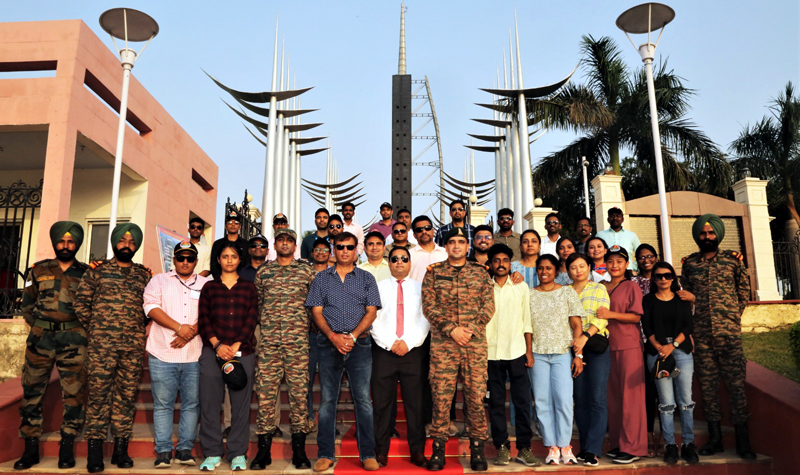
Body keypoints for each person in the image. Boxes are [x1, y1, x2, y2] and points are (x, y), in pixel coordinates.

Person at [75, 223, 152, 473]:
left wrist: (136, 328)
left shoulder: (143, 274)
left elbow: (149, 308)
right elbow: (81, 305)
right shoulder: (96, 272)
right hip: (101, 349)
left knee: (125, 398)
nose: (126, 245)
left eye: (131, 242)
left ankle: (121, 450)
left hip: (131, 348)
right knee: (97, 397)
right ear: (114, 242)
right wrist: (98, 328)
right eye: (122, 240)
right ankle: (95, 453)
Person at [680, 214, 755, 459]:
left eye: (711, 233)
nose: (707, 237)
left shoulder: (732, 260)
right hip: (701, 336)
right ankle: (715, 440)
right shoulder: (690, 263)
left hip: (729, 335)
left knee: (736, 387)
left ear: (718, 235)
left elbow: (743, 291)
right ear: (697, 236)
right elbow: (686, 297)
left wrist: (731, 315)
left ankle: (743, 441)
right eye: (703, 233)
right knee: (708, 387)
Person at [305, 232, 382, 472]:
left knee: (363, 401)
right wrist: (333, 337)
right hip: (328, 344)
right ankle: (325, 454)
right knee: (328, 401)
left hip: (360, 345)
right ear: (334, 249)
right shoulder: (321, 278)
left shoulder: (367, 278)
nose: (345, 250)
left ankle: (368, 453)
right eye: (340, 246)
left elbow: (371, 311)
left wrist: (352, 336)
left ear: (356, 249)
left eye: (350, 246)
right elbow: (316, 312)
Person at [15, 222, 89, 470]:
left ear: (76, 244)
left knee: (74, 394)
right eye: (62, 241)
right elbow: (26, 305)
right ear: (55, 242)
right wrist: (38, 326)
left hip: (74, 340)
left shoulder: (87, 273)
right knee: (32, 391)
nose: (66, 246)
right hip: (41, 339)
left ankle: (67, 446)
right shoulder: (37, 270)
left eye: (70, 242)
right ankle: (30, 448)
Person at [422, 227, 494, 472]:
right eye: (451, 242)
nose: (456, 246)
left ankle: (477, 450)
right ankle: (438, 450)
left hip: (473, 345)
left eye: (461, 242)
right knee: (442, 398)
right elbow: (429, 306)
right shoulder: (433, 273)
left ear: (467, 246)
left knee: (475, 398)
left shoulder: (481, 273)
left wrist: (469, 329)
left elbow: (488, 306)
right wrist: (452, 329)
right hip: (444, 345)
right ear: (446, 246)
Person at [251, 229, 314, 470]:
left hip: (297, 343)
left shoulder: (306, 271)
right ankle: (263, 450)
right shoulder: (264, 272)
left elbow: (313, 304)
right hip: (269, 344)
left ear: (295, 245)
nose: (285, 244)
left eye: (289, 240)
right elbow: (258, 304)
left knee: (299, 397)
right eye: (281, 240)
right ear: (274, 245)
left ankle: (299, 450)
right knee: (266, 396)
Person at [143, 241, 210, 468]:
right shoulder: (158, 280)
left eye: (189, 258)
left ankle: (184, 449)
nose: (185, 262)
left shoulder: (206, 283)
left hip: (194, 354)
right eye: (180, 258)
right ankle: (163, 451)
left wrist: (189, 333)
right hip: (163, 352)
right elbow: (150, 307)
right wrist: (178, 327)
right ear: (174, 260)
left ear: (195, 261)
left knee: (191, 404)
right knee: (163, 405)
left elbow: (209, 312)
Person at [197, 242, 258, 471]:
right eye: (225, 256)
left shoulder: (249, 288)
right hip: (212, 353)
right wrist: (217, 345)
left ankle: (237, 454)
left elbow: (251, 318)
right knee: (210, 403)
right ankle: (212, 453)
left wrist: (236, 344)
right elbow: (203, 319)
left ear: (239, 259)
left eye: (233, 256)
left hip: (242, 352)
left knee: (241, 406)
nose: (230, 260)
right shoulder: (209, 288)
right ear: (219, 260)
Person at [371, 246, 430, 468]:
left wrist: (408, 343)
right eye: (394, 259)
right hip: (383, 351)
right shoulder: (377, 288)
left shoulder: (420, 288)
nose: (399, 262)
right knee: (382, 405)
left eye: (404, 259)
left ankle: (417, 451)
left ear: (410, 262)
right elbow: (372, 318)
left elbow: (426, 319)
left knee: (415, 405)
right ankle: (380, 452)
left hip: (413, 352)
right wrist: (390, 343)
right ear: (389, 263)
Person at [485, 244, 540, 467]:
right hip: (490, 352)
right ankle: (501, 448)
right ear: (490, 263)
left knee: (522, 401)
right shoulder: (482, 287)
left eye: (505, 260)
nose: (501, 264)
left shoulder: (521, 287)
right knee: (496, 402)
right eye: (496, 260)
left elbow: (527, 320)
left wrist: (528, 350)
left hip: (517, 350)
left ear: (510, 263)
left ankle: (525, 448)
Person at [529, 254, 585, 465]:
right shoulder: (530, 294)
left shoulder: (566, 292)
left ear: (556, 271)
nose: (544, 272)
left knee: (563, 399)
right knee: (542, 401)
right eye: (541, 268)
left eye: (549, 268)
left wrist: (578, 355)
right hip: (538, 353)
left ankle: (565, 444)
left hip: (562, 352)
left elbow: (577, 326)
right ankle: (552, 445)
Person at [642, 261, 698, 465]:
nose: (663, 279)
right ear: (653, 279)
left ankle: (689, 444)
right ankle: (670, 445)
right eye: (658, 276)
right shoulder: (648, 300)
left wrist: (672, 345)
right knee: (666, 403)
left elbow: (688, 326)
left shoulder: (682, 299)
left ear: (673, 278)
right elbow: (647, 328)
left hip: (681, 352)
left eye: (667, 275)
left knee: (685, 401)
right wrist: (660, 348)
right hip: (657, 353)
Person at [600, 246, 646, 464]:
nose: (614, 265)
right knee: (614, 398)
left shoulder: (631, 286)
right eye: (610, 261)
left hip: (628, 346)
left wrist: (611, 315)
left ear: (627, 264)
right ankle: (619, 443)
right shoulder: (600, 286)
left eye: (619, 261)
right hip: (606, 346)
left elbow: (636, 317)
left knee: (631, 398)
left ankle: (634, 446)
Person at [567, 253, 610, 467]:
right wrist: (577, 344)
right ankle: (584, 447)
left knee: (597, 399)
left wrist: (585, 336)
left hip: (595, 346)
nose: (578, 270)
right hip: (573, 349)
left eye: (582, 266)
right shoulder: (565, 291)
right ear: (568, 271)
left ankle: (593, 449)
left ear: (588, 267)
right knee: (581, 399)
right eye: (573, 267)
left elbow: (602, 316)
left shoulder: (598, 288)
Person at [632, 243, 660, 456]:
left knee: (666, 393)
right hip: (638, 342)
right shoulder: (631, 281)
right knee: (647, 392)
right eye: (641, 257)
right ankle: (648, 436)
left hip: (664, 344)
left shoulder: (665, 278)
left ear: (656, 257)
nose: (646, 260)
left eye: (650, 256)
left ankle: (666, 438)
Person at [306, 238, 332, 432]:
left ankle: (326, 421)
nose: (321, 253)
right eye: (318, 250)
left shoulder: (336, 275)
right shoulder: (304, 274)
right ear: (312, 253)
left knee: (328, 381)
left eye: (325, 250)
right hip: (308, 334)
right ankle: (307, 418)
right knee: (305, 379)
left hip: (330, 335)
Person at [210, 211, 250, 278]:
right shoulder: (218, 244)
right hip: (221, 281)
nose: (233, 225)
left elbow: (247, 264)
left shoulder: (246, 244)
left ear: (239, 226)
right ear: (225, 226)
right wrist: (220, 280)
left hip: (241, 281)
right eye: (230, 223)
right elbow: (214, 265)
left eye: (236, 223)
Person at [408, 215, 447, 282]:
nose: (424, 231)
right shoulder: (409, 255)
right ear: (414, 235)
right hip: (418, 292)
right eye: (419, 230)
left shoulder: (445, 253)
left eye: (427, 228)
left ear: (433, 231)